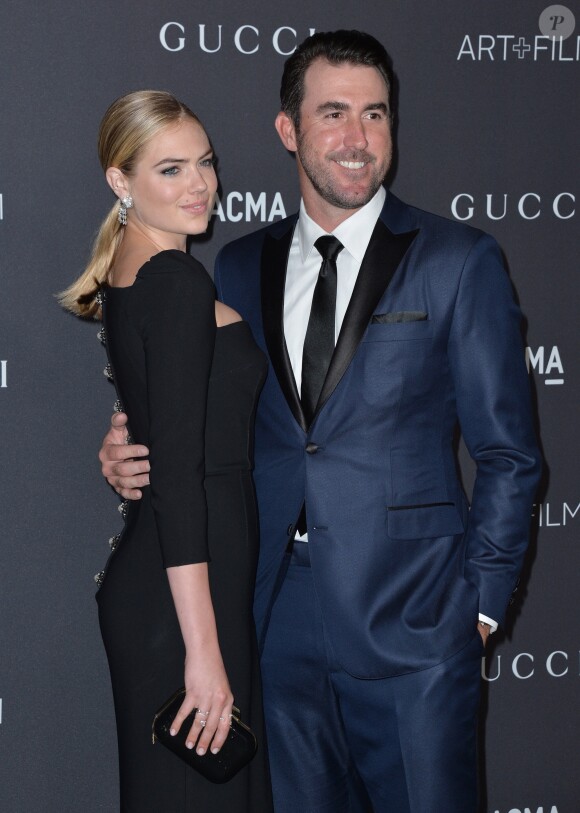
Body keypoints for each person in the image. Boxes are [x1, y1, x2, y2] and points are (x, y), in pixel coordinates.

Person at [99, 32, 542, 813]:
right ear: (287, 129)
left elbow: (509, 453)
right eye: (333, 113)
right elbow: (202, 413)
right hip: (269, 619)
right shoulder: (235, 265)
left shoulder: (457, 259)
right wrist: (125, 443)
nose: (357, 138)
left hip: (413, 625)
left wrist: (477, 611)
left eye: (375, 114)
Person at [60, 90, 273, 812]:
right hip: (184, 602)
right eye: (172, 169)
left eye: (206, 164)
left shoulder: (131, 268)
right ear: (122, 183)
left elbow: (166, 425)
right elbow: (179, 478)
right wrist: (203, 649)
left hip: (174, 588)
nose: (202, 185)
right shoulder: (176, 279)